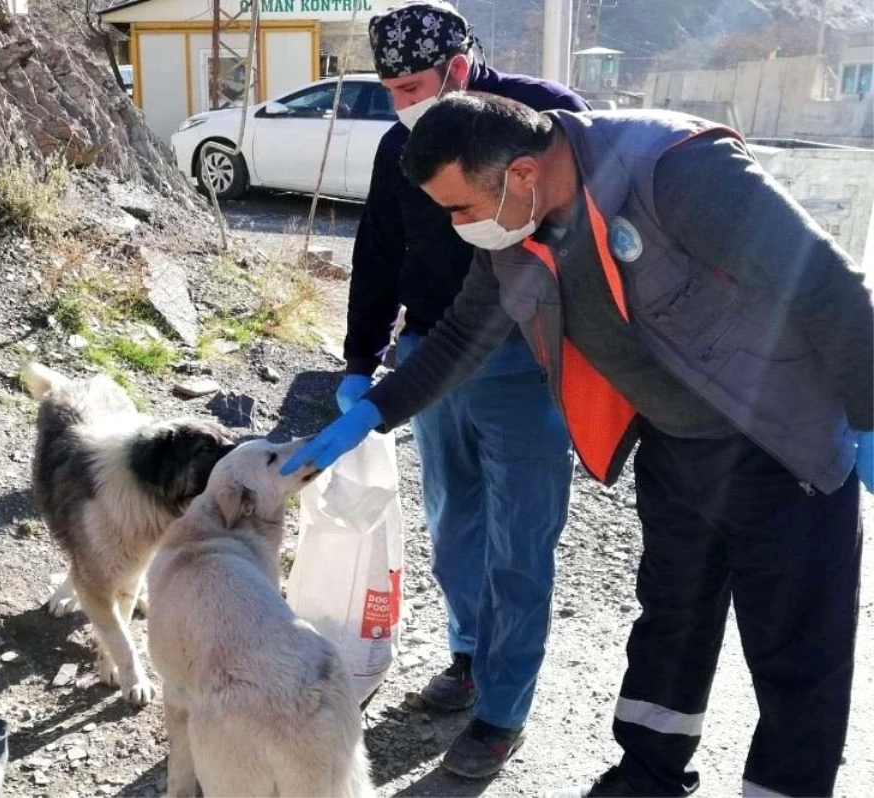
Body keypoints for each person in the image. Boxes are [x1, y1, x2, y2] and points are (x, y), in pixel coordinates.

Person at [285, 93, 872, 798]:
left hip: (785, 448)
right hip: (678, 448)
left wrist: (869, 417)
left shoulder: (679, 172)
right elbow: (460, 337)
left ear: (523, 174)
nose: (455, 226)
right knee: (672, 623)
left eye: (460, 208)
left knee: (795, 655)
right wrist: (371, 413)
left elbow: (829, 287)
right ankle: (649, 776)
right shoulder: (518, 233)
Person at [341, 0, 586, 778]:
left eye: (413, 85)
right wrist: (359, 362)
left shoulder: (545, 119)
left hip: (526, 360)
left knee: (520, 539)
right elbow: (378, 254)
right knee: (454, 524)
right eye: (390, 90)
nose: (402, 103)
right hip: (430, 358)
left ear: (457, 67)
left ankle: (503, 710)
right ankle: (470, 656)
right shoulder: (398, 149)